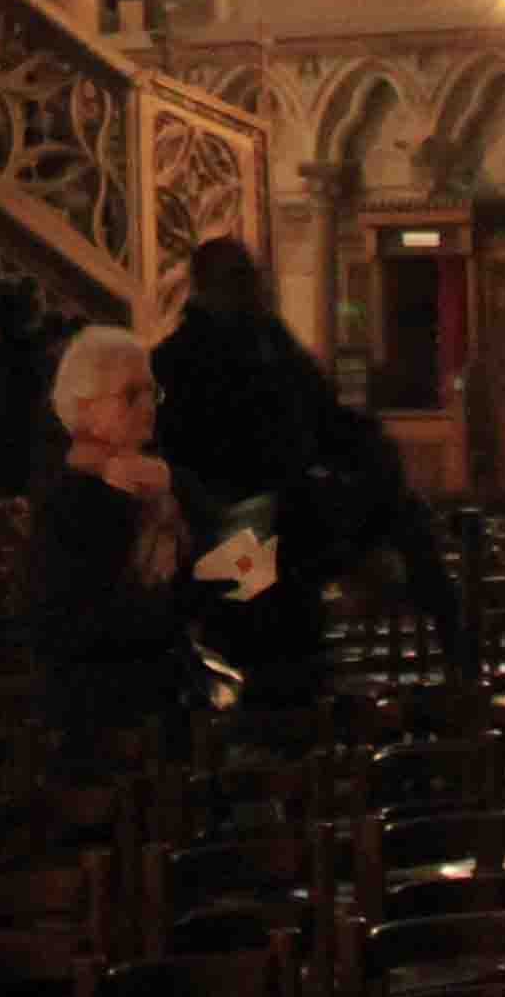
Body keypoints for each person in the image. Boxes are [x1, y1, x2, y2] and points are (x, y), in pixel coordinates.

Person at [149, 237, 364, 709]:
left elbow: (326, 425)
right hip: (232, 542)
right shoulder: (193, 359)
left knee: (273, 672)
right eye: (240, 281)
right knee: (253, 671)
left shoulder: (266, 349)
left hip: (266, 543)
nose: (252, 292)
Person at [30, 325, 195, 740]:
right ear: (84, 408)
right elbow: (77, 625)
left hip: (168, 699)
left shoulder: (164, 487)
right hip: (99, 716)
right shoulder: (69, 498)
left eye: (151, 393)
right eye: (130, 395)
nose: (148, 406)